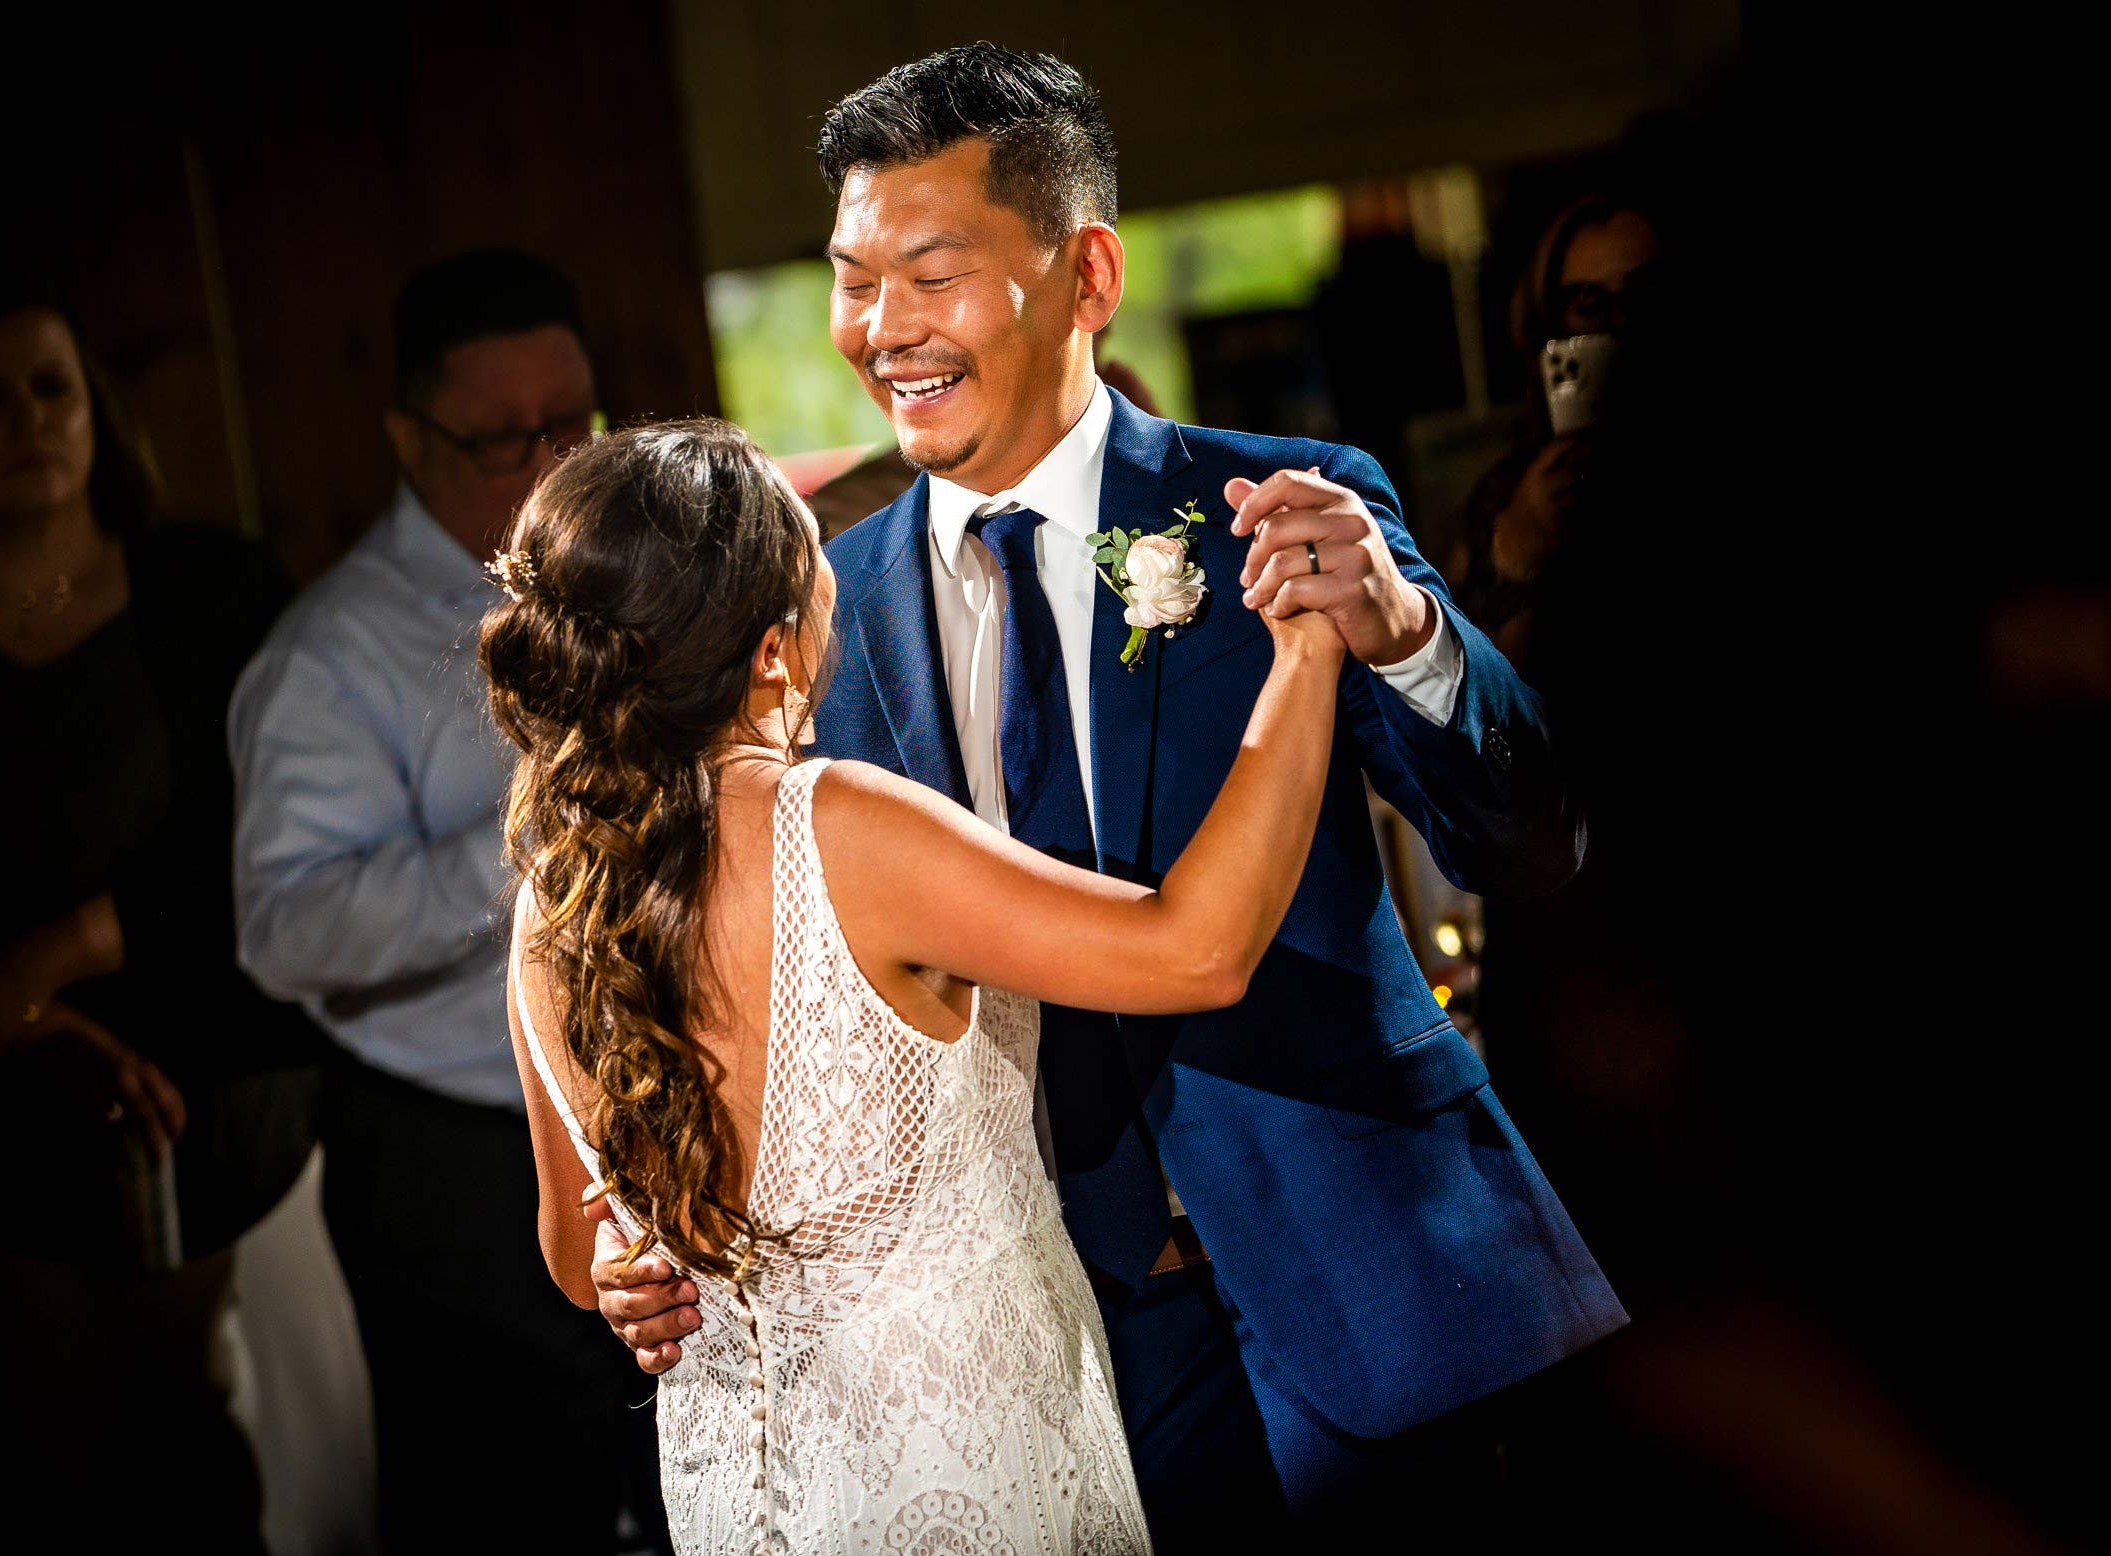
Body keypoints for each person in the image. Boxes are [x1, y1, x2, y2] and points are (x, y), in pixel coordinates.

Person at [590, 45, 1625, 1544]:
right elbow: (771, 972)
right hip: (1048, 1346)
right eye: (851, 279)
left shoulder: (1280, 501)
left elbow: (1534, 846)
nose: (881, 331)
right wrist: (663, 1229)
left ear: (1086, 276)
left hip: (1366, 1266)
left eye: (928, 275)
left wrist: (1408, 637)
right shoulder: (818, 609)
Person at [483, 416, 1346, 1554]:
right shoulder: (838, 829)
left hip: (745, 1501)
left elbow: (572, 1255)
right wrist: (1307, 655)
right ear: (774, 651)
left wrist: (623, 1259)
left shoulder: (552, 907)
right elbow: (1196, 950)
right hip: (967, 1464)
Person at [228, 249, 647, 1551]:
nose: (549, 464)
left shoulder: (634, 568)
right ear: (411, 437)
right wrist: (541, 834)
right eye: (501, 440)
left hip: (662, 1114)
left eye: (571, 425)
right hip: (459, 1170)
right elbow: (285, 934)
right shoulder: (329, 657)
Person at [0, 288, 318, 1546]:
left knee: (210, 1458)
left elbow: (269, 840)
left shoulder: (212, 589)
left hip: (223, 1089)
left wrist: (52, 954)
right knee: (46, 1477)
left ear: (99, 413)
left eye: (52, 386)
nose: (27, 418)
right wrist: (9, 1014)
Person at [1448, 192, 1664, 662]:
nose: (1619, 325)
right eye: (1588, 304)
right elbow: (1478, 706)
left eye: (1647, 293)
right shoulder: (1511, 496)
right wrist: (1517, 557)